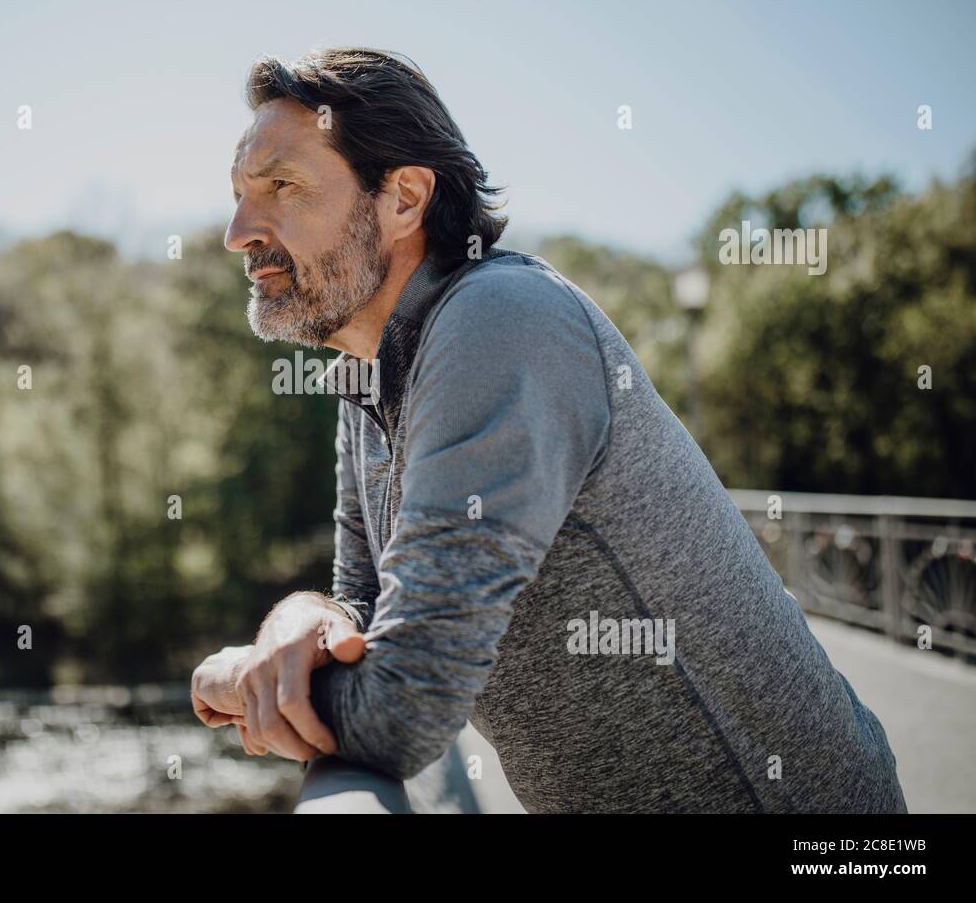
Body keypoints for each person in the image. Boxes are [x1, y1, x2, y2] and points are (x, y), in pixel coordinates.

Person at [190, 48, 907, 813]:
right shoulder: (365, 375)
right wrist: (300, 619)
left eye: (280, 186)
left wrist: (235, 677)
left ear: (403, 198)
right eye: (239, 194)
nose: (239, 231)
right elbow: (361, 605)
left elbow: (404, 706)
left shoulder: (501, 321)